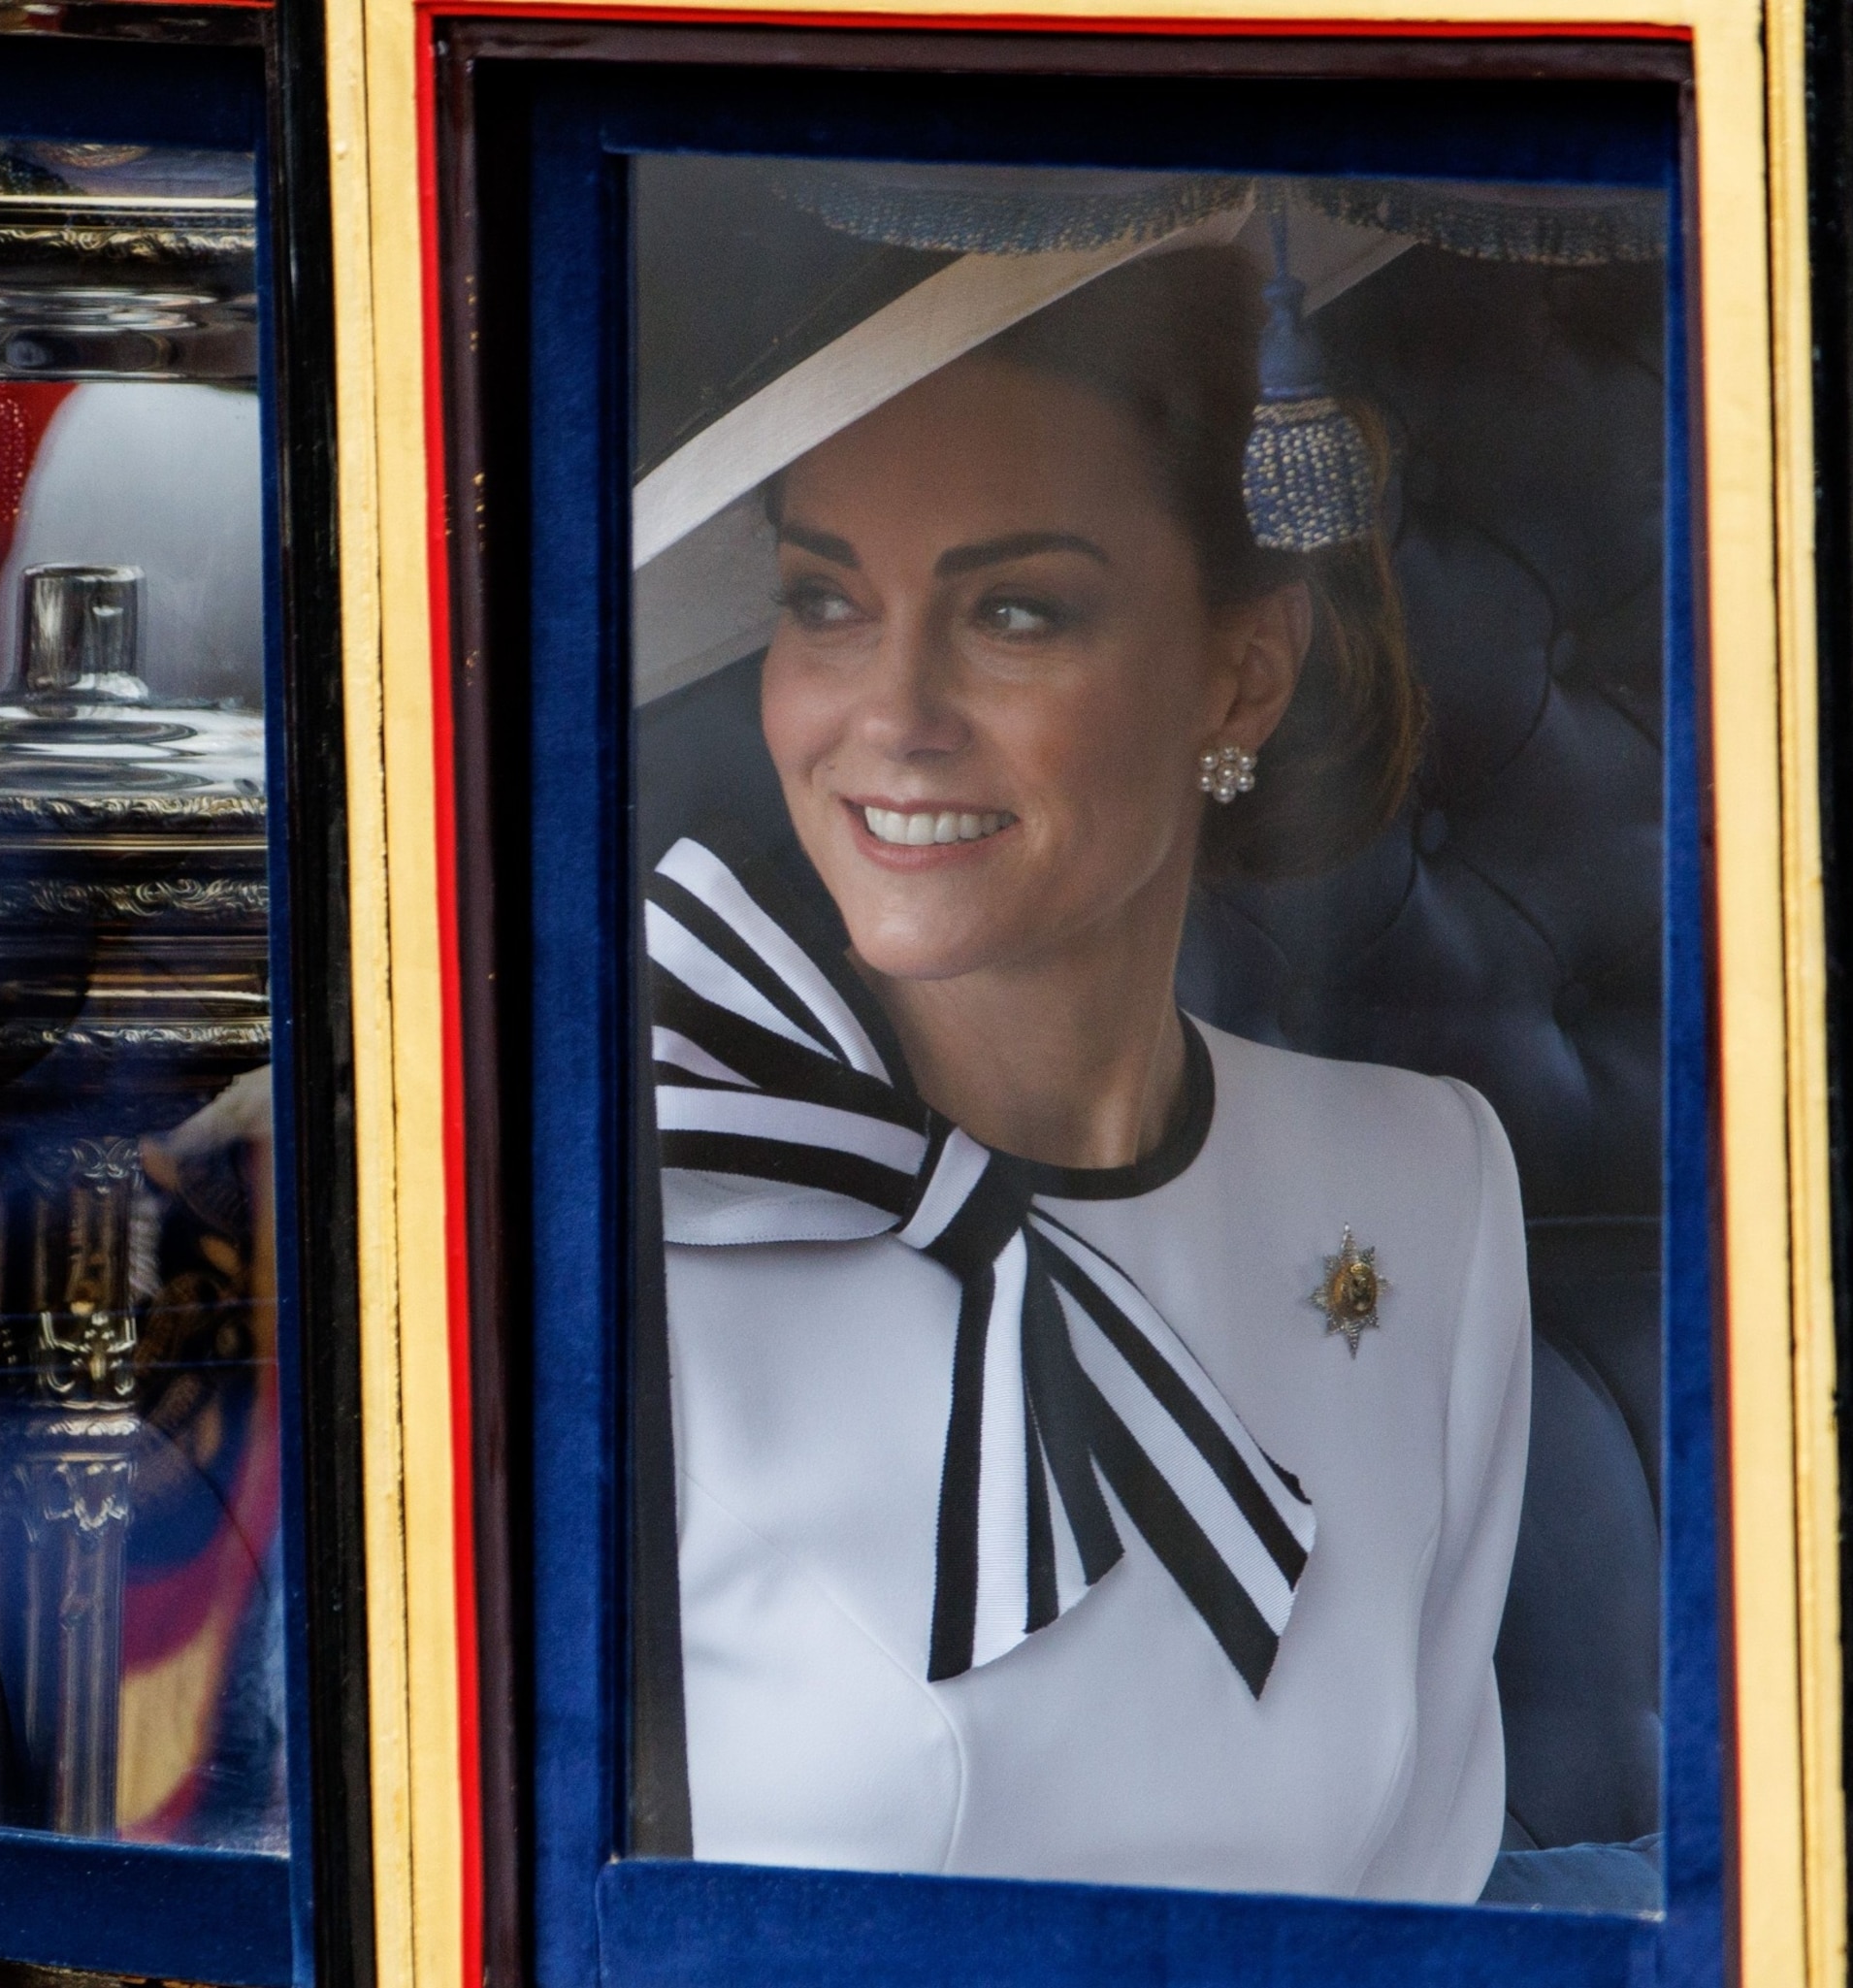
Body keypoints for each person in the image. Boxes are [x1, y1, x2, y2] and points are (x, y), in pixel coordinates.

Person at [643, 245, 1533, 1902]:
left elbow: (1426, 1900)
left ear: (1239, 672)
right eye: (826, 602)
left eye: (1014, 612)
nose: (891, 715)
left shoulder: (1427, 1185)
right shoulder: (641, 1194)